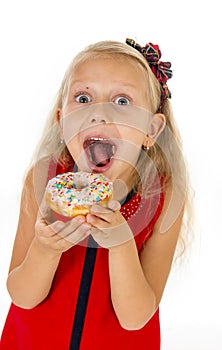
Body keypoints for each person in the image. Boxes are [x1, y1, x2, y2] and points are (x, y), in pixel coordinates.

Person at [0, 38, 190, 350]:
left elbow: (135, 317)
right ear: (63, 123)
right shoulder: (43, 178)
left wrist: (121, 245)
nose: (99, 113)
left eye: (122, 102)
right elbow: (21, 295)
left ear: (151, 131)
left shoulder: (162, 197)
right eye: (84, 97)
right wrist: (44, 250)